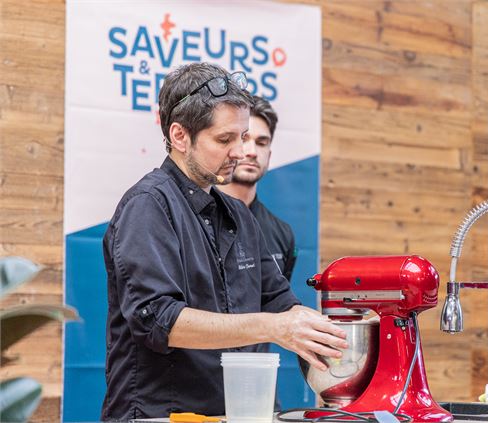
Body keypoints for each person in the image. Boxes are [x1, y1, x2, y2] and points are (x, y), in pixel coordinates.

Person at [101, 63, 347, 421]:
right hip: (159, 415)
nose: (241, 151)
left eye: (243, 137)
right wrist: (272, 327)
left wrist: (336, 332)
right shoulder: (148, 206)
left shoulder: (238, 214)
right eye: (224, 139)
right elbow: (159, 321)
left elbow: (278, 301)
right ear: (180, 136)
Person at [218, 96, 296, 282]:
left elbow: (279, 305)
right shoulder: (194, 220)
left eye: (261, 143)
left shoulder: (282, 233)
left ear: (269, 155)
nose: (252, 152)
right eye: (244, 139)